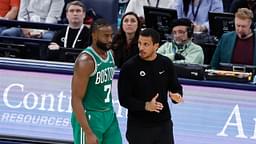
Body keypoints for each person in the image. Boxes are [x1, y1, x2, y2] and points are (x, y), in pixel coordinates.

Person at [118, 28, 183, 144]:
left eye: (146, 44)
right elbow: (124, 99)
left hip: (164, 125)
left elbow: (176, 87)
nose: (141, 48)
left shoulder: (166, 63)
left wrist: (177, 96)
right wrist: (146, 106)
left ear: (156, 46)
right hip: (139, 126)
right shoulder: (129, 67)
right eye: (139, 43)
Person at [71, 19, 122, 144]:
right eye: (106, 36)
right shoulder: (86, 61)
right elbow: (75, 99)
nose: (110, 40)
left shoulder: (111, 54)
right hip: (90, 116)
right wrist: (88, 132)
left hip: (108, 113)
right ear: (94, 35)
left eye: (111, 36)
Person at [0, 0, 64, 40]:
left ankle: (43, 59)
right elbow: (21, 16)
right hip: (26, 27)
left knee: (48, 37)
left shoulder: (59, 0)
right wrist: (25, 28)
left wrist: (39, 32)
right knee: (7, 33)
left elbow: (51, 20)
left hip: (46, 29)